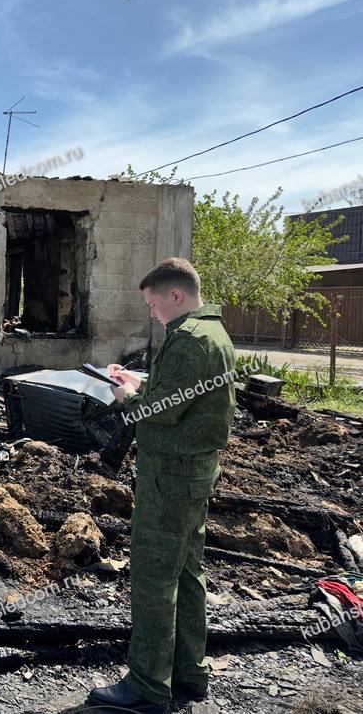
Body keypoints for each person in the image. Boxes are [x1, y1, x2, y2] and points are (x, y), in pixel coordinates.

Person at [87, 257, 236, 714]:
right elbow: (181, 395)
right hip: (192, 473)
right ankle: (189, 675)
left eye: (154, 304)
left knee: (154, 577)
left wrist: (125, 396)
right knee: (187, 574)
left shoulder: (189, 340)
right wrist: (140, 382)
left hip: (170, 474)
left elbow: (160, 411)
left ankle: (148, 687)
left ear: (176, 296)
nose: (152, 313)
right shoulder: (215, 334)